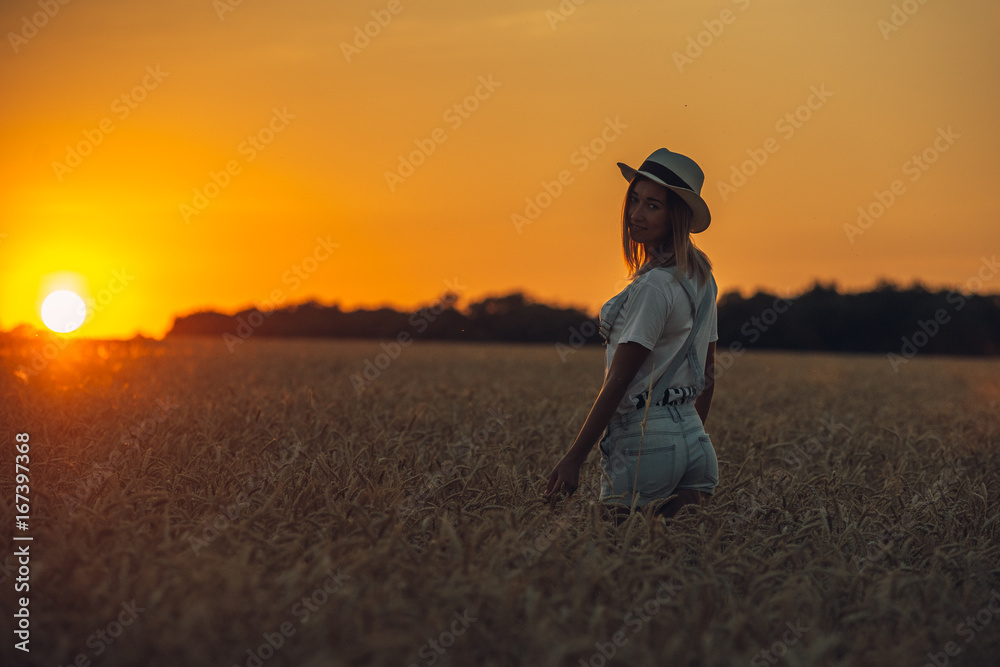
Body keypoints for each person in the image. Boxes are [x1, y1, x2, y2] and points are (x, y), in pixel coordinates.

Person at [543, 147, 719, 519]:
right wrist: (684, 439)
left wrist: (574, 458)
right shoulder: (703, 279)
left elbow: (619, 380)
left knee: (615, 564)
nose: (636, 215)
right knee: (675, 568)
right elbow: (708, 376)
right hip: (696, 443)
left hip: (646, 444)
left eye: (653, 206)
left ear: (676, 216)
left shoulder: (654, 286)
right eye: (634, 200)